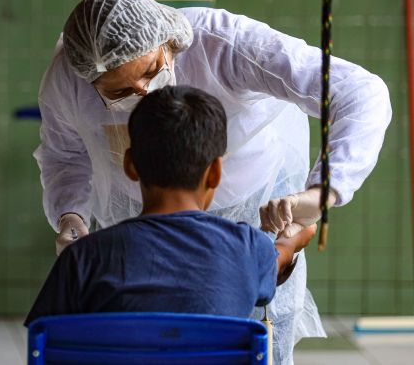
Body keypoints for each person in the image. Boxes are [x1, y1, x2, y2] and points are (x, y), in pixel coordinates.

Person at [35, 0, 392, 364]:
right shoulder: (249, 252)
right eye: (120, 93)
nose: (143, 94)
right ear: (214, 171)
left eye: (152, 72)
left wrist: (321, 192)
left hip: (253, 203)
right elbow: (65, 155)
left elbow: (361, 93)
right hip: (244, 231)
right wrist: (70, 214)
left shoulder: (224, 43)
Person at [25, 86, 316, 326]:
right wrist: (301, 226)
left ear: (129, 165)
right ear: (215, 172)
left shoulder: (83, 258)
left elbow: (46, 340)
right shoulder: (246, 249)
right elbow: (285, 251)